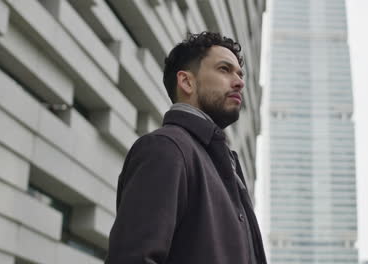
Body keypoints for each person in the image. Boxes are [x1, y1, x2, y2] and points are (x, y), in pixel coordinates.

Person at [105, 32, 267, 264]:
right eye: (224, 69)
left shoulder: (222, 165)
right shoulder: (166, 149)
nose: (240, 82)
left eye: (240, 74)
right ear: (186, 82)